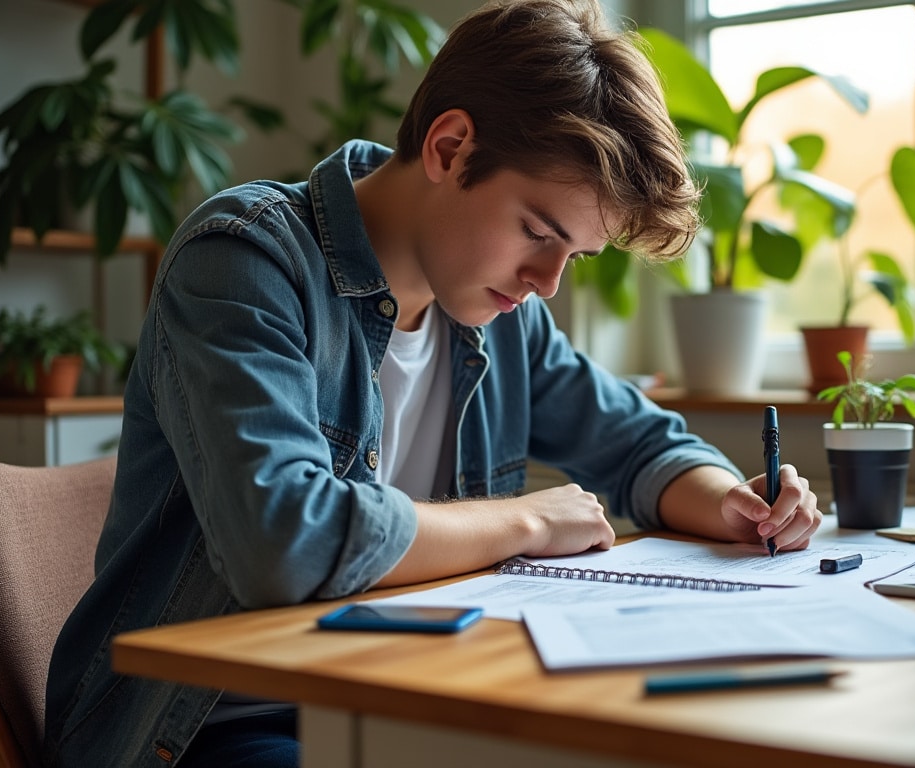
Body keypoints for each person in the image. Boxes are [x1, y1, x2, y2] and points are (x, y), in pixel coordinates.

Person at [42, 1, 822, 766]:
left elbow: (639, 443)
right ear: (449, 148)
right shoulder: (244, 261)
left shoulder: (497, 314)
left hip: (406, 697)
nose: (548, 282)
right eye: (538, 233)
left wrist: (729, 501)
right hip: (209, 729)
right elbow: (283, 540)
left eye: (575, 255)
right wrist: (525, 523)